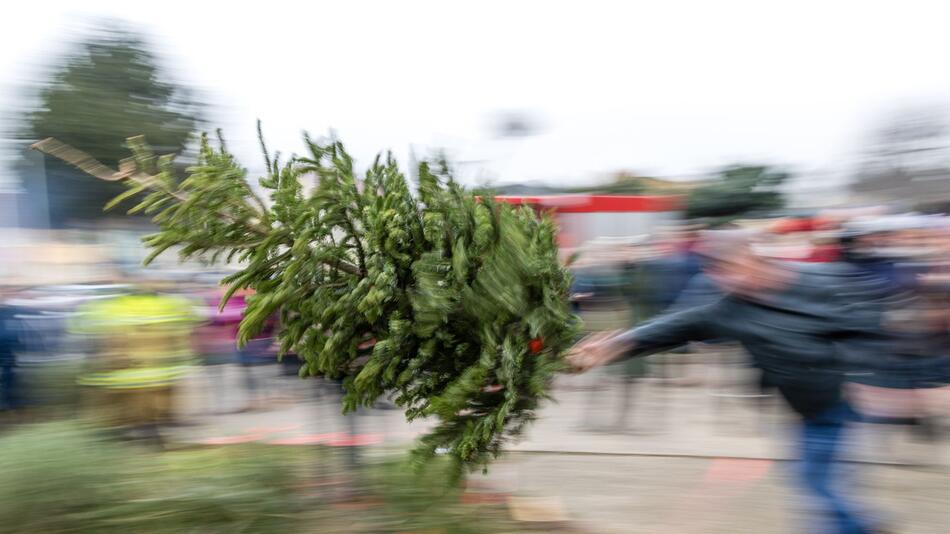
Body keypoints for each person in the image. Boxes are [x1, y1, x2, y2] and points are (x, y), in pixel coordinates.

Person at [568, 229, 893, 534]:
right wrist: (610, 348)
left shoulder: (816, 282)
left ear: (753, 257)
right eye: (720, 274)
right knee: (812, 479)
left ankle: (856, 526)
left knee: (814, 481)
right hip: (806, 409)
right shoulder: (731, 310)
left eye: (734, 268)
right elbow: (674, 327)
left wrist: (872, 378)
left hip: (837, 404)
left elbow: (866, 325)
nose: (731, 280)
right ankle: (859, 523)